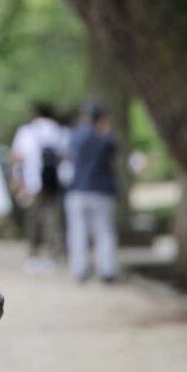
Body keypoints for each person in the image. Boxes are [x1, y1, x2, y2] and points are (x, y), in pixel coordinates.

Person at [64, 103, 118, 283]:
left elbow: (68, 157)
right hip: (101, 190)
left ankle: (80, 270)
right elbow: (112, 151)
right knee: (104, 232)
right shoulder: (106, 137)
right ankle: (107, 271)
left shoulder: (76, 136)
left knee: (77, 232)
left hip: (78, 189)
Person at [11, 101, 65, 272]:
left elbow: (18, 156)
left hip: (32, 182)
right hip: (54, 183)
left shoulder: (27, 131)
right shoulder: (58, 131)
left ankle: (33, 256)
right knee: (52, 219)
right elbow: (65, 156)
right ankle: (52, 256)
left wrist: (17, 180)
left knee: (34, 220)